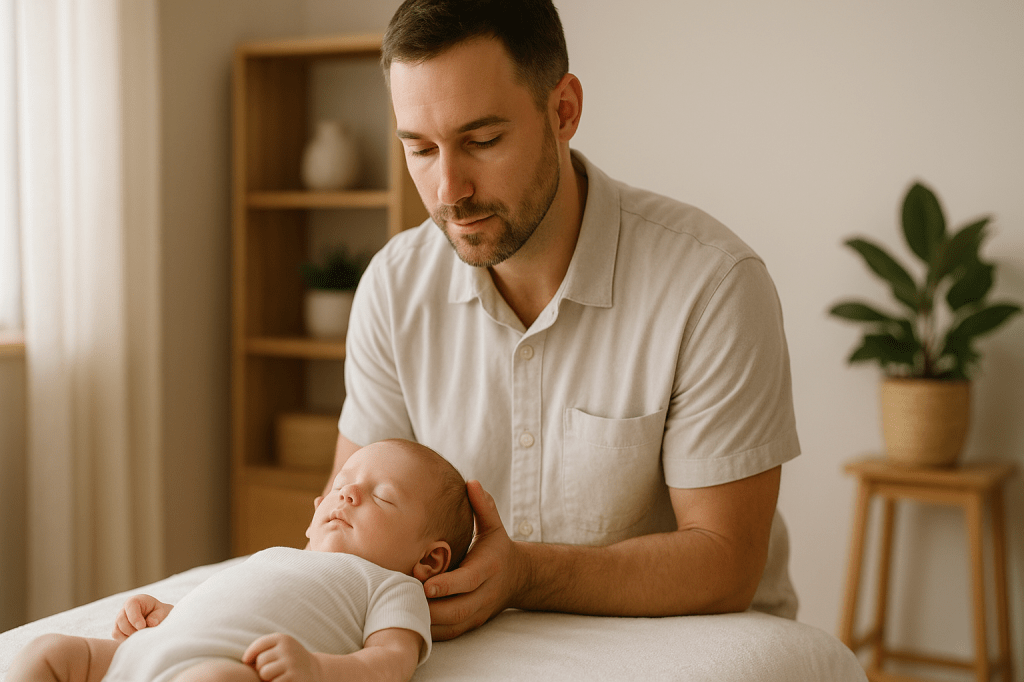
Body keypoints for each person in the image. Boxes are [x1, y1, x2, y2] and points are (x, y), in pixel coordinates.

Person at [329, 0, 802, 641]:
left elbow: (727, 563)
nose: (448, 191)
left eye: (483, 141)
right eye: (420, 148)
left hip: (694, 647)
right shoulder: (393, 287)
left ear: (564, 111)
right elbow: (347, 537)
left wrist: (524, 575)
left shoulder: (712, 285)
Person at [8, 439, 474, 682]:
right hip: (150, 654)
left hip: (227, 668)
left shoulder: (392, 586)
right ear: (314, 515)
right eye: (342, 484)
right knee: (54, 653)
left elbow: (391, 662)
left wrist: (317, 670)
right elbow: (225, 608)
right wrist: (169, 617)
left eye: (383, 497)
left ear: (429, 560)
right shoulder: (273, 555)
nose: (348, 492)